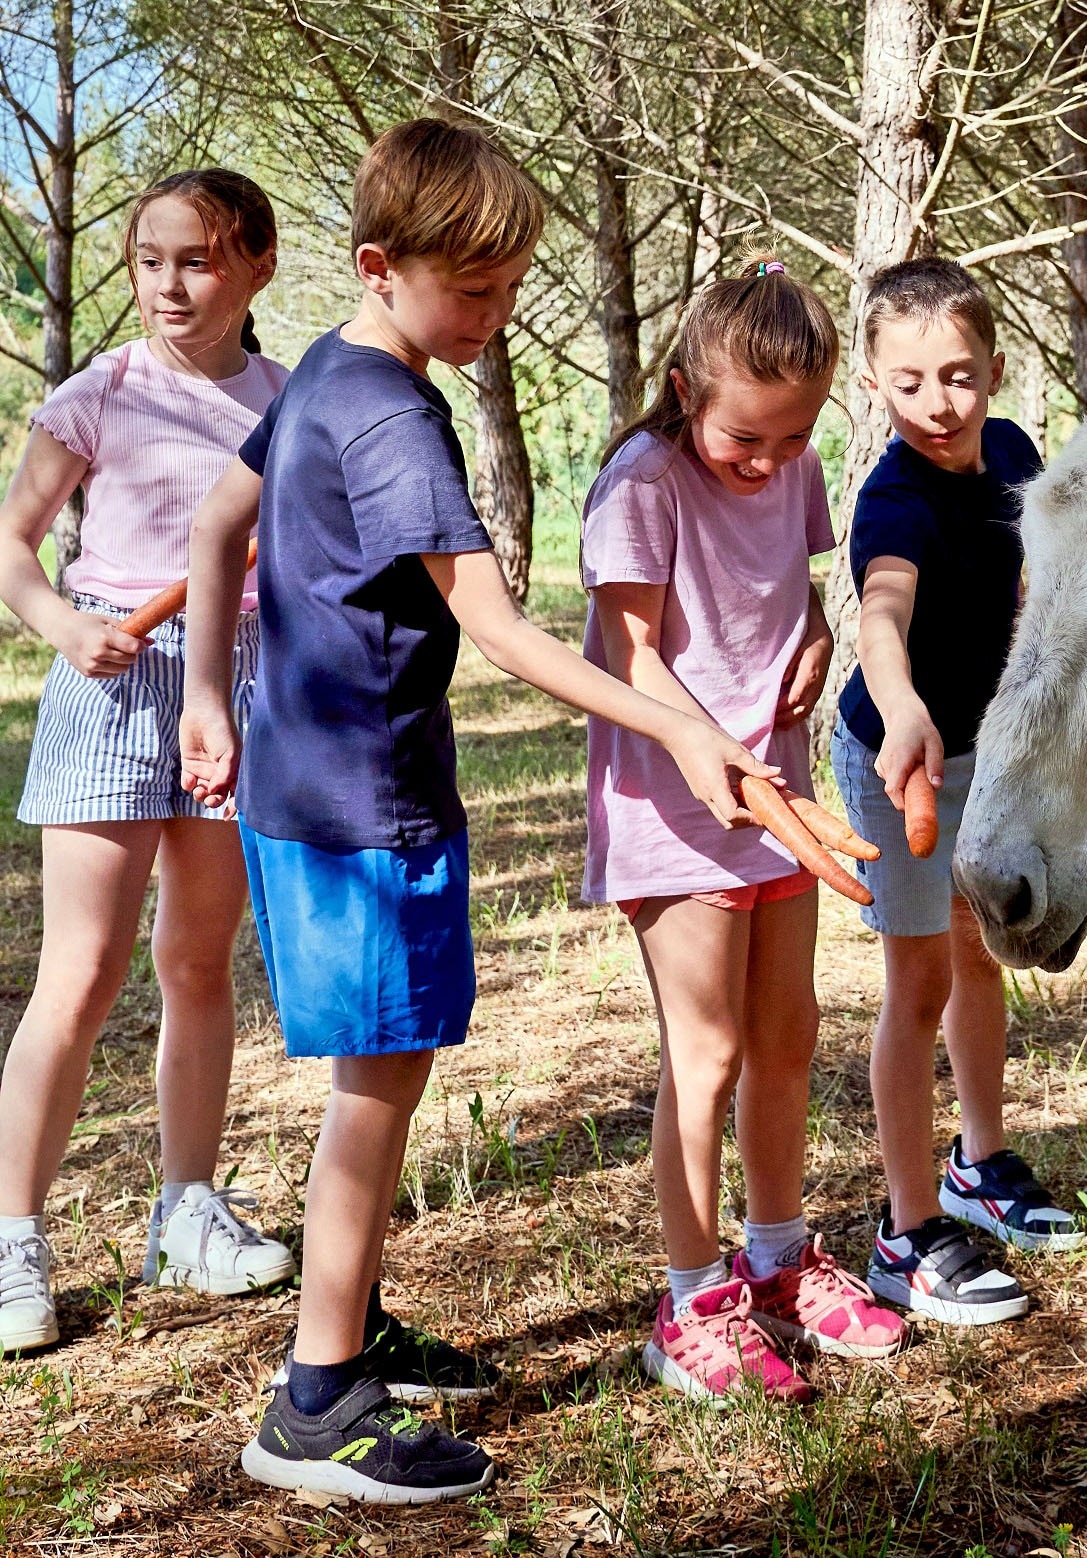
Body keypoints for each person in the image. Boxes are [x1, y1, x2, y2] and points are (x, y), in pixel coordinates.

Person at [177, 118, 777, 1503]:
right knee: (376, 1088)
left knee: (375, 1075)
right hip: (368, 802)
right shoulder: (389, 410)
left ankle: (351, 1317)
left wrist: (210, 696)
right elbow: (500, 630)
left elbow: (220, 526)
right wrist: (680, 721)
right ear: (382, 265)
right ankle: (317, 1399)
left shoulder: (324, 366)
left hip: (296, 784)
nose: (496, 318)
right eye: (476, 291)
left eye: (511, 289)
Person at [583, 260, 904, 1403]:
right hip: (676, 800)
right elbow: (630, 653)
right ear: (683, 388)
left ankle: (777, 1259)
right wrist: (697, 745)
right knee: (705, 1049)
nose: (768, 463)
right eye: (744, 442)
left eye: (792, 437)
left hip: (777, 790)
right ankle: (690, 1297)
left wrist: (816, 638)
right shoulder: (642, 480)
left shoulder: (795, 463)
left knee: (784, 1034)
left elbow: (795, 593)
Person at [0, 170, 296, 1354]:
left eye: (202, 260)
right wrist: (67, 628)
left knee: (199, 961)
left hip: (241, 686)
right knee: (79, 971)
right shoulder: (98, 393)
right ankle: (14, 1233)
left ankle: (187, 1209)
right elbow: (13, 545)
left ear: (259, 267)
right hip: (114, 685)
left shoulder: (288, 400)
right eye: (151, 260)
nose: (171, 285)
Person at [835, 257, 1085, 1327]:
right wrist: (901, 709)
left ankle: (978, 1163)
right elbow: (880, 615)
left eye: (958, 375)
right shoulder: (892, 499)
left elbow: (1040, 574)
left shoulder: (1017, 452)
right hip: (900, 757)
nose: (938, 404)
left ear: (991, 367)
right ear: (872, 384)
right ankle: (905, 1228)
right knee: (919, 981)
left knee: (985, 954)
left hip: (985, 748)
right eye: (908, 382)